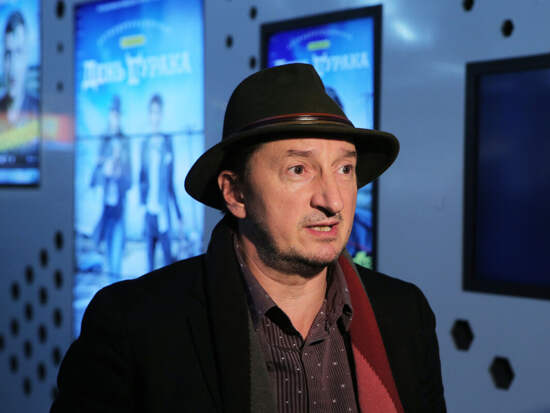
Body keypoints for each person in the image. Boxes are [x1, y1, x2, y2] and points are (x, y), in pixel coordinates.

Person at [52, 64, 446, 412]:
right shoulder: (136, 326)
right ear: (236, 193)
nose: (332, 200)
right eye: (298, 169)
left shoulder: (403, 314)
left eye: (345, 169)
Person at [139, 93, 183, 271]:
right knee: (149, 268)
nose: (155, 117)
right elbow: (141, 178)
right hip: (149, 213)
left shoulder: (167, 141)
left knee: (168, 264)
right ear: (148, 115)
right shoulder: (144, 143)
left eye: (158, 112)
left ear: (161, 114)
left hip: (164, 212)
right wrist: (142, 205)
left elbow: (170, 183)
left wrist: (178, 213)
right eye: (152, 112)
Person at [90, 96, 132, 279]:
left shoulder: (126, 141)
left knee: (116, 261)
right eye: (112, 114)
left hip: (120, 209)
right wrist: (105, 171)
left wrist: (120, 173)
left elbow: (130, 179)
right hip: (104, 209)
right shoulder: (103, 140)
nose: (115, 118)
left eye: (117, 114)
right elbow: (93, 178)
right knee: (107, 259)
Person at [0, 10, 38, 126]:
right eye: (8, 54)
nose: (13, 67)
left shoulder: (39, 110)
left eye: (18, 53)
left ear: (27, 57)